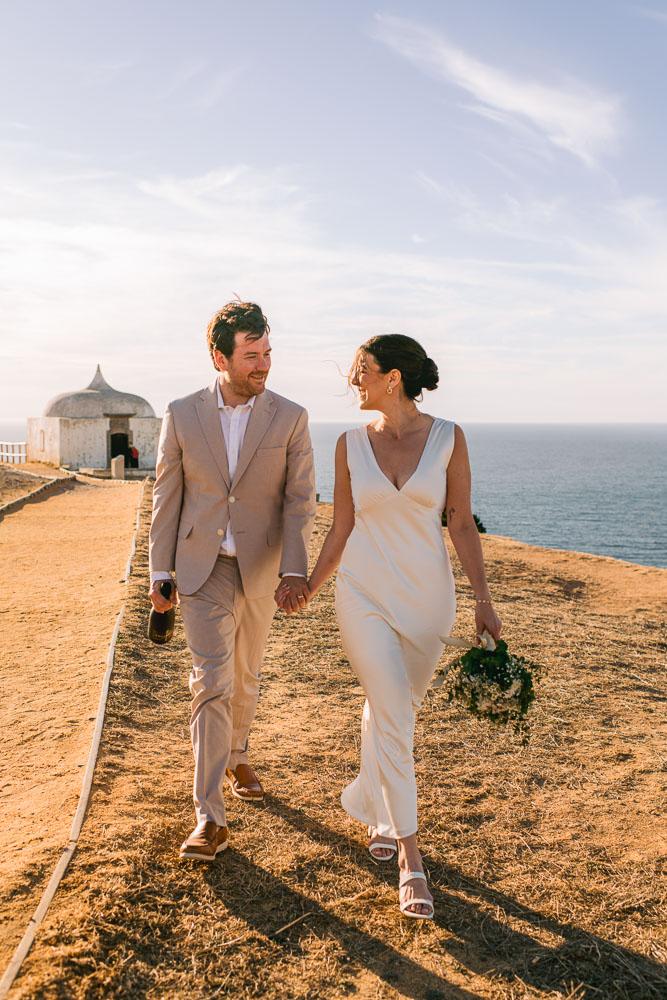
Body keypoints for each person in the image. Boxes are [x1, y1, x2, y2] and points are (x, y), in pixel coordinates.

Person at [278, 334, 501, 919]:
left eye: (362, 372)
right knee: (395, 714)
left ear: (393, 378)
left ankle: (371, 801)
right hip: (363, 595)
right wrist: (310, 585)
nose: (355, 382)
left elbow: (462, 524)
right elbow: (341, 527)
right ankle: (411, 857)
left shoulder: (450, 438)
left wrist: (483, 599)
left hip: (429, 601)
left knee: (394, 709)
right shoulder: (350, 444)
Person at [149, 300, 316, 861]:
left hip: (261, 569)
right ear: (219, 356)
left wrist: (295, 569)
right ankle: (209, 817)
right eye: (251, 356)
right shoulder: (180, 412)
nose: (263, 366)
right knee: (212, 680)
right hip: (201, 570)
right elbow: (167, 494)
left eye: (267, 353)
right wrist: (159, 571)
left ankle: (240, 748)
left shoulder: (291, 417)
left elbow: (298, 503)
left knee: (245, 673)